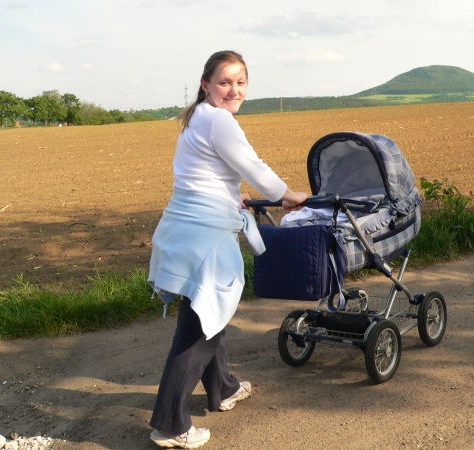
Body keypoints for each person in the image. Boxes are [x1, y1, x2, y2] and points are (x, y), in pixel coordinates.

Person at [147, 50, 307, 449]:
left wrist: (232, 197)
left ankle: (223, 388)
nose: (234, 90)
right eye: (225, 82)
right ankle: (169, 424)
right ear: (206, 84)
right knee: (199, 329)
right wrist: (287, 196)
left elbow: (200, 174)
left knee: (207, 313)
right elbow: (252, 166)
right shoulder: (219, 120)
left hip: (184, 228)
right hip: (205, 237)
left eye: (240, 82)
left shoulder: (197, 117)